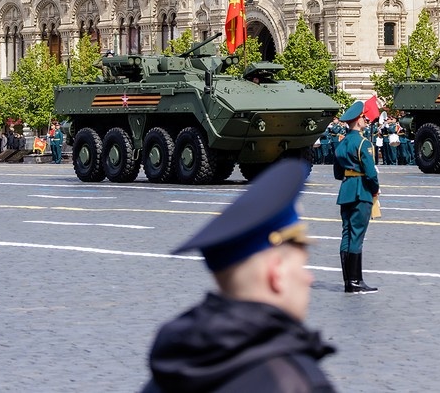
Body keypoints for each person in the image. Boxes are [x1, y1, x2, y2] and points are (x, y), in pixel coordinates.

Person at [141, 160, 337, 392]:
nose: (309, 279)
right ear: (276, 273)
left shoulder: (170, 368)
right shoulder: (296, 381)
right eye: (303, 266)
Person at [333, 100, 380, 294]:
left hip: (346, 191)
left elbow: (337, 174)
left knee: (346, 234)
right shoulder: (363, 143)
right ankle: (355, 281)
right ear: (358, 120)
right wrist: (375, 189)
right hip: (361, 191)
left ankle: (348, 281)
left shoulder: (341, 144)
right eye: (364, 118)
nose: (366, 120)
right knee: (357, 236)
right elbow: (371, 173)